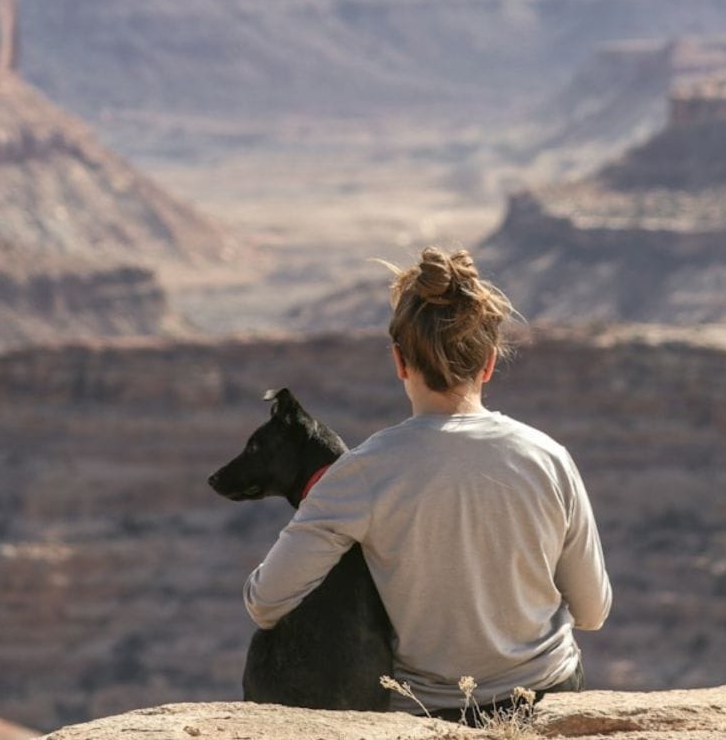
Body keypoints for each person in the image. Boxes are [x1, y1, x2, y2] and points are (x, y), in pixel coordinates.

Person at [244, 246, 612, 723]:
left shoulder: (361, 473)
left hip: (428, 712)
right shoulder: (549, 458)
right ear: (489, 363)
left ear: (399, 361)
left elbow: (265, 601)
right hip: (546, 698)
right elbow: (592, 612)